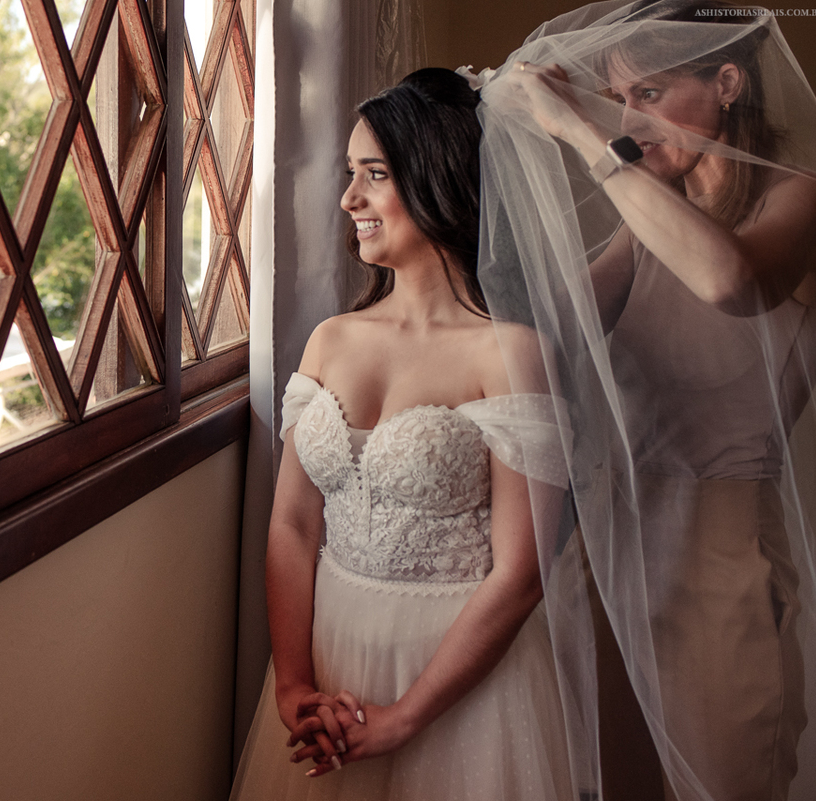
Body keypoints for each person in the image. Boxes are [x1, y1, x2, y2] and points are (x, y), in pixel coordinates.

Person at [468, 1, 816, 799]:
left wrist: (576, 132)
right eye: (616, 98)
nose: (626, 118)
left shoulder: (807, 200)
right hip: (608, 559)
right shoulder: (645, 228)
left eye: (649, 94)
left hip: (722, 572)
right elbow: (540, 336)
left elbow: (727, 280)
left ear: (727, 82)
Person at [228, 68, 574, 801]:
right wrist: (293, 683)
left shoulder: (509, 353)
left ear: (440, 181)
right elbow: (292, 524)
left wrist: (401, 720)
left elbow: (523, 572)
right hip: (331, 655)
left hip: (460, 678)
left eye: (374, 175)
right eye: (350, 174)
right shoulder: (330, 339)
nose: (349, 199)